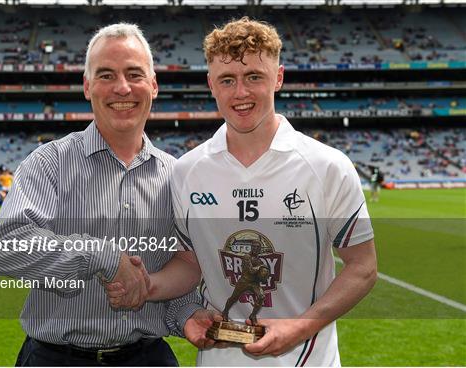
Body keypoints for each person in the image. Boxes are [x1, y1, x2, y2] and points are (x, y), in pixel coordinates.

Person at [106, 17, 377, 366]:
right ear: (211, 85)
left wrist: (298, 327)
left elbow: (363, 267)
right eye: (227, 80)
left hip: (306, 360)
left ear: (278, 78)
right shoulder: (188, 171)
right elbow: (191, 263)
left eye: (254, 77)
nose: (240, 93)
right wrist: (148, 285)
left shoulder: (326, 167)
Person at [0, 23, 201, 366]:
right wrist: (101, 256)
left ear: (154, 85)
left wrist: (187, 311)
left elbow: (181, 270)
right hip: (56, 358)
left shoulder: (179, 175)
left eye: (134, 73)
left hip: (146, 357)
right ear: (87, 87)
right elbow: (6, 247)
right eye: (106, 75)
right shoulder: (49, 163)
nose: (122, 87)